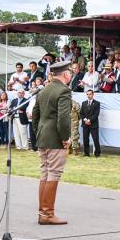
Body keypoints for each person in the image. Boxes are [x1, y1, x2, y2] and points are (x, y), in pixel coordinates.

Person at [32, 60, 73, 225]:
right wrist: (65, 138)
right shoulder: (64, 90)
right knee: (53, 173)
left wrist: (39, 133)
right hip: (56, 138)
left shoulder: (44, 90)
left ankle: (42, 212)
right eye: (69, 72)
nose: (70, 74)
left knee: (44, 173)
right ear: (65, 74)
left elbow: (35, 116)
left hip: (43, 136)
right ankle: (47, 214)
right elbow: (63, 119)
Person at [80, 90, 101, 157]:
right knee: (85, 139)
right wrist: (85, 120)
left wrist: (90, 120)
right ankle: (86, 153)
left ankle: (97, 153)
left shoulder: (97, 103)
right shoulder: (84, 103)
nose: (89, 95)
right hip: (85, 124)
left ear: (93, 94)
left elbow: (96, 114)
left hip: (93, 124)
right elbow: (81, 113)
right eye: (87, 94)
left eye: (90, 94)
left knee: (95, 139)